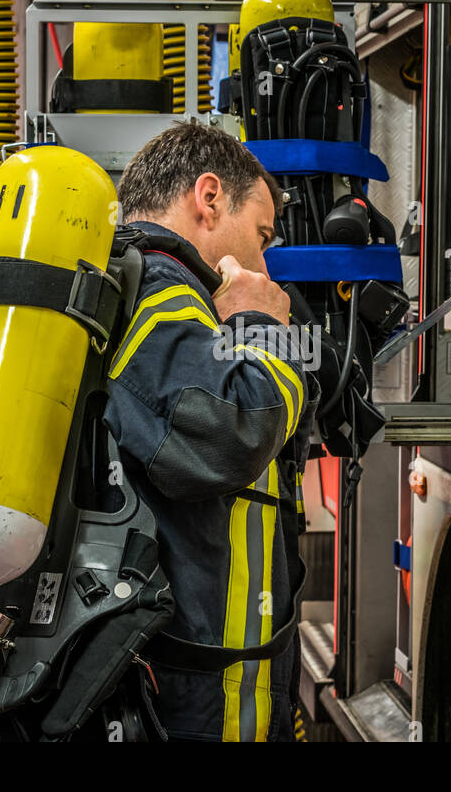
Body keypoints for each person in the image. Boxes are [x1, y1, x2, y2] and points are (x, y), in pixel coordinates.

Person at [105, 121, 318, 742]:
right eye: (263, 234)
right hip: (187, 692)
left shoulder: (137, 287)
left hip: (187, 669)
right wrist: (259, 319)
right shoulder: (161, 293)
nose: (263, 261)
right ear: (210, 197)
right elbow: (233, 435)